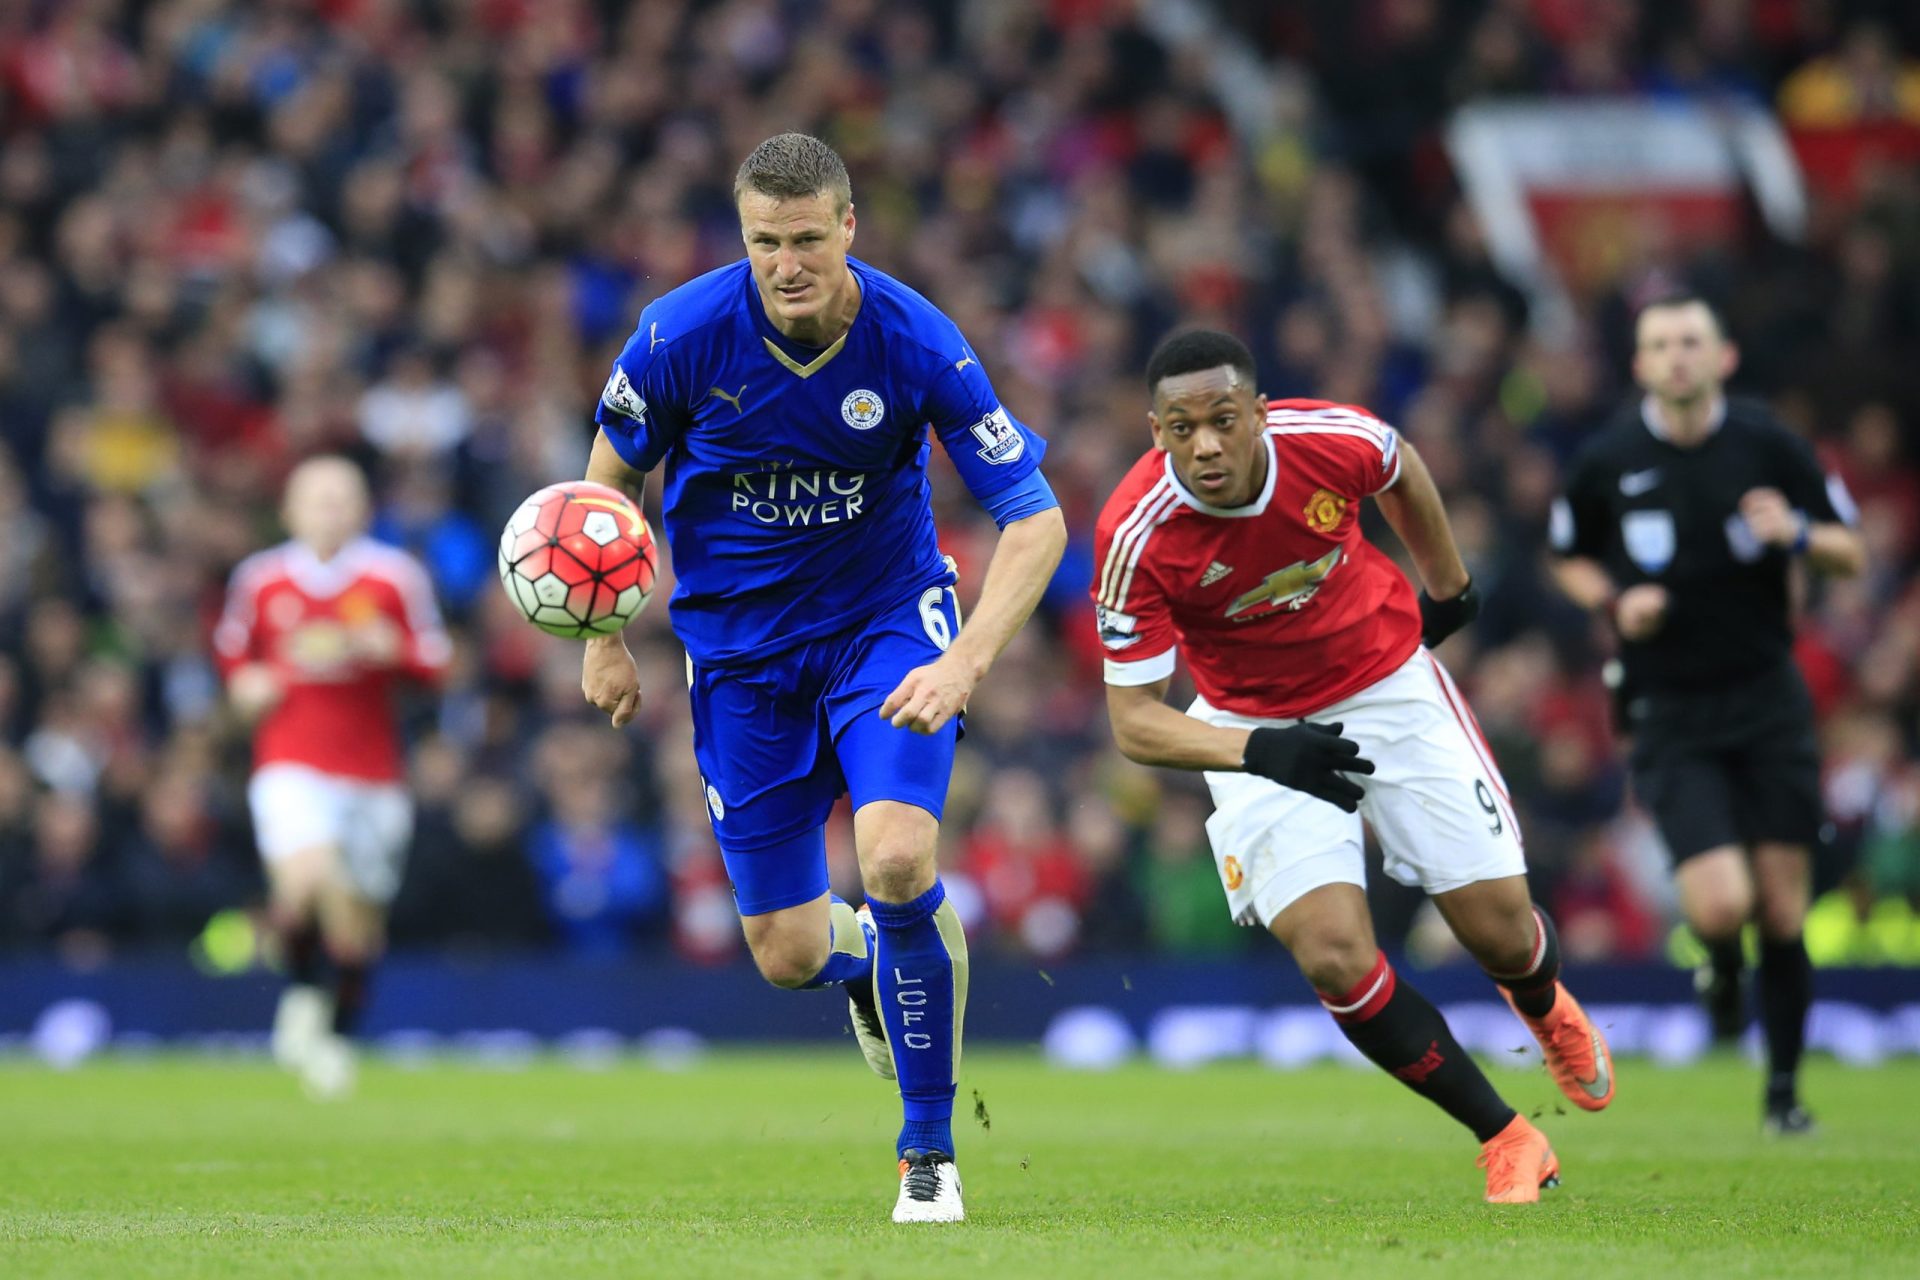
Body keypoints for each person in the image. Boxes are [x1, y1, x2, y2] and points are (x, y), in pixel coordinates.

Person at [578, 133, 1066, 1223]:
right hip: (742, 658)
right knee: (787, 949)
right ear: (741, 236)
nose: (786, 262)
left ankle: (928, 1154)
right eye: (764, 242)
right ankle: (862, 969)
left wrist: (964, 658)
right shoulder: (681, 333)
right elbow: (607, 480)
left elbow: (1035, 517)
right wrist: (602, 634)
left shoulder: (915, 340)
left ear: (850, 227)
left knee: (896, 857)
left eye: (806, 239)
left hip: (882, 629)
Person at [1095, 330, 1613, 1205]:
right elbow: (1134, 723)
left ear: (1259, 413)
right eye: (1182, 428)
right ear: (1157, 433)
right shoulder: (1135, 533)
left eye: (1224, 420)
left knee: (1498, 931)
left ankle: (1541, 1000)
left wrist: (1447, 587)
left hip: (1384, 683)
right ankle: (1507, 1137)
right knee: (1336, 958)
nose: (1207, 444)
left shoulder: (1331, 438)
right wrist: (1262, 749)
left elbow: (1400, 463)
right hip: (1249, 720)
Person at [1549, 294, 1865, 1135]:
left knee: (1785, 909)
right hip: (1669, 707)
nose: (1678, 357)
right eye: (1661, 344)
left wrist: (1796, 530)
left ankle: (1784, 1093)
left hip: (1766, 698)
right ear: (1640, 364)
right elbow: (1568, 556)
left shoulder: (1770, 445)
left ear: (1722, 357)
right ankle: (1722, 971)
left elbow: (1851, 546)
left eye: (1692, 342)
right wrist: (1616, 601)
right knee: (1722, 905)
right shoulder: (1610, 458)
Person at [213, 456, 451, 1098]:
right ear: (289, 510)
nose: (330, 510)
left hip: (373, 772)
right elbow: (235, 665)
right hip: (291, 760)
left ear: (364, 509)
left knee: (358, 924)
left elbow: (438, 662)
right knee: (308, 877)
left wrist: (393, 652)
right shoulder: (260, 580)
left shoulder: (392, 577)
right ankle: (299, 996)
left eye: (343, 498)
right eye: (316, 499)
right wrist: (248, 688)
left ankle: (334, 1033)